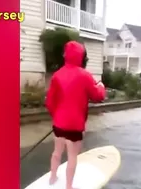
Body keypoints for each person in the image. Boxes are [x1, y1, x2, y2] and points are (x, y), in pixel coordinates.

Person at [45, 41, 106, 189]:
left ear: (65, 55)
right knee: (72, 157)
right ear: (80, 56)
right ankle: (69, 186)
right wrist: (101, 87)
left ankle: (53, 177)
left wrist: (57, 116)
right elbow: (98, 96)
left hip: (59, 123)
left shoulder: (57, 75)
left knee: (56, 152)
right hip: (75, 125)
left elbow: (50, 102)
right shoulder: (85, 75)